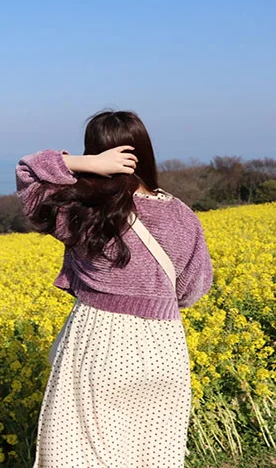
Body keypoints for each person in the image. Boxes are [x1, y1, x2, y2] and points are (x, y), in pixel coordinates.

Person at [14, 109, 214, 467]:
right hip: (164, 347)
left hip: (97, 343)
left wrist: (82, 164)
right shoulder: (183, 215)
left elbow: (28, 172)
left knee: (80, 454)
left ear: (97, 154)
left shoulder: (81, 210)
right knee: (154, 455)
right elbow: (192, 289)